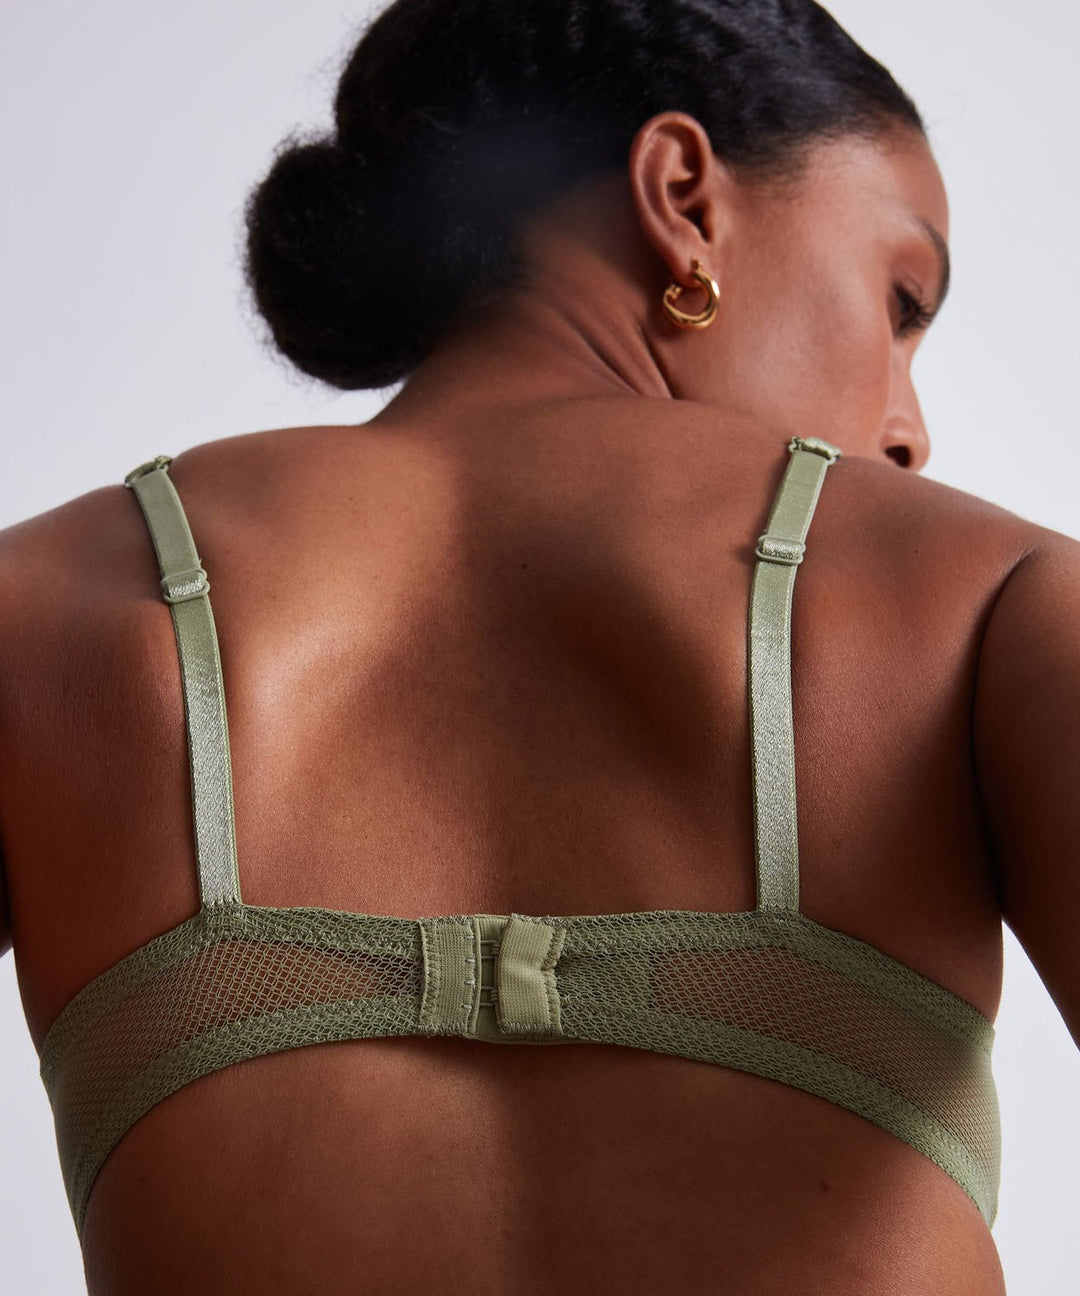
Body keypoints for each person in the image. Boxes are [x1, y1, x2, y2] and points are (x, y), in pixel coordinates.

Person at [0, 0, 1076, 1291]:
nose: (909, 430)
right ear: (683, 200)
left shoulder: (39, 612)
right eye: (901, 301)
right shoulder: (993, 598)